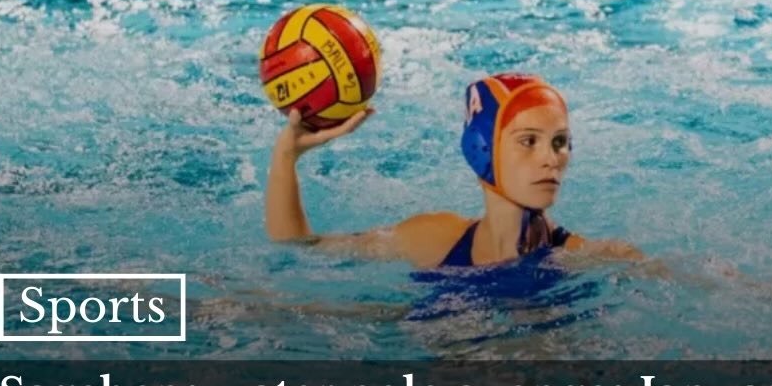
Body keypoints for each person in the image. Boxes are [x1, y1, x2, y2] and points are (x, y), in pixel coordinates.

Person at [266, 72, 661, 273]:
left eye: (560, 142)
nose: (551, 158)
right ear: (481, 149)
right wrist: (286, 156)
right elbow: (299, 250)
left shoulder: (590, 260)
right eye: (529, 141)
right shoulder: (432, 238)